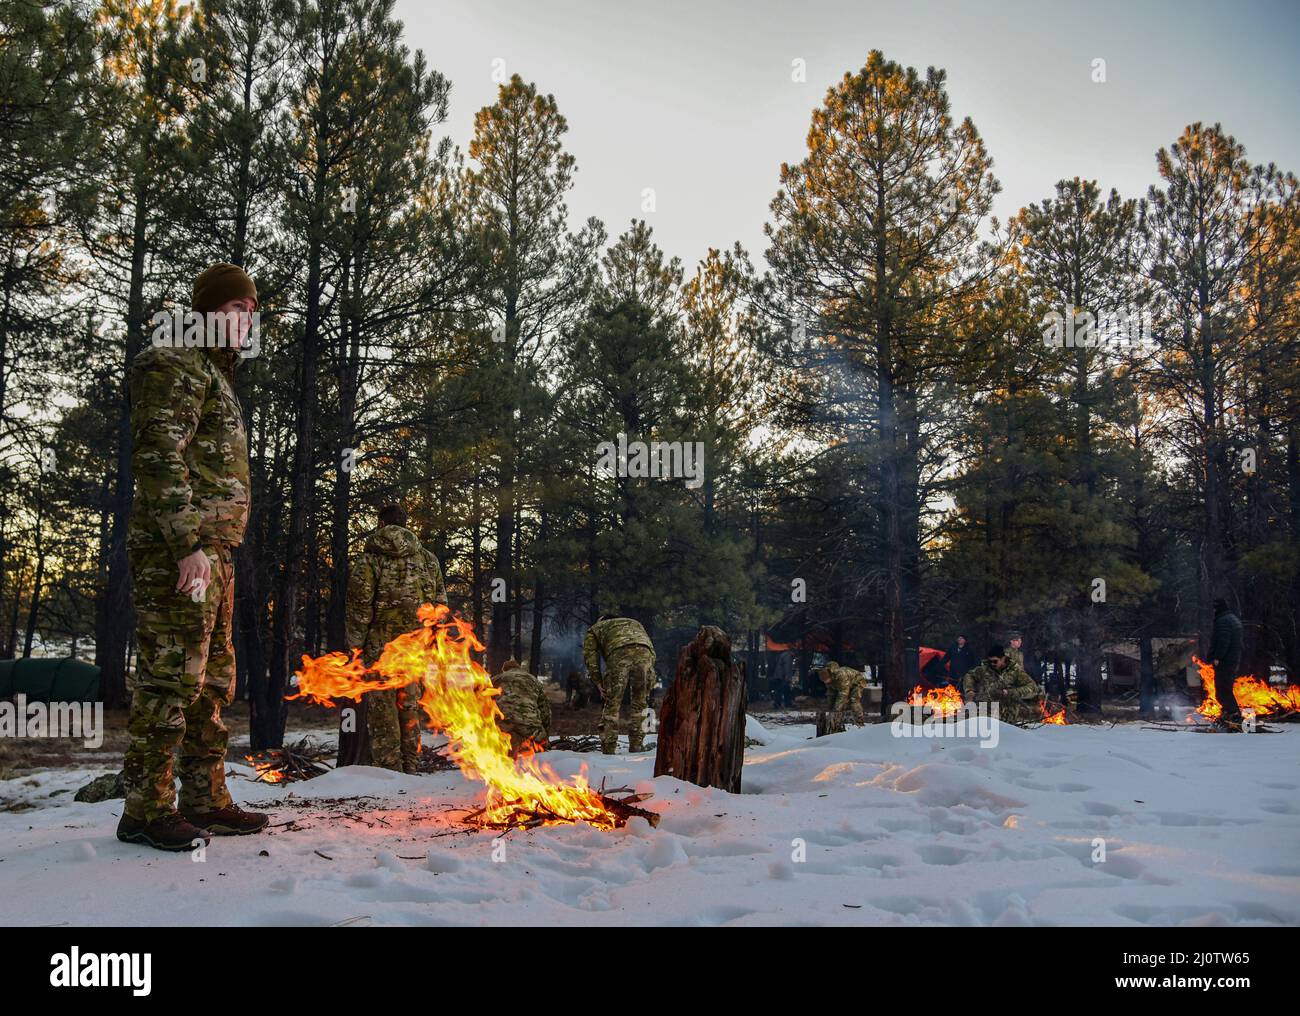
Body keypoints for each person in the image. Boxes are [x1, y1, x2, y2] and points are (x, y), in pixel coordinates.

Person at [119, 263, 268, 850]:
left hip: (214, 556)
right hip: (180, 555)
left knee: (212, 685)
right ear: (206, 311)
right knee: (170, 682)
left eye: (251, 313)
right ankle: (145, 811)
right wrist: (185, 545)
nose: (245, 322)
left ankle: (205, 799)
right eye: (235, 310)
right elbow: (158, 453)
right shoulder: (176, 361)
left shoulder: (212, 372)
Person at [344, 503, 448, 773]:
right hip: (415, 645)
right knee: (409, 705)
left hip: (380, 647)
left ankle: (390, 770)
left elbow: (360, 605)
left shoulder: (370, 559)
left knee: (383, 710)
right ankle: (410, 767)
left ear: (381, 524)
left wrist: (355, 647)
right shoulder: (428, 559)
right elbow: (440, 606)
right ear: (405, 524)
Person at [583, 613, 656, 754]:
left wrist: (598, 681)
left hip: (619, 654)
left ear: (602, 621)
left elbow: (590, 656)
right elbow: (650, 648)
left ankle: (609, 748)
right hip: (645, 654)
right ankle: (637, 745)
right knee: (640, 703)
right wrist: (650, 674)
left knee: (612, 704)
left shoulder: (597, 627)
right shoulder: (634, 622)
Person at [962, 645, 1043, 725]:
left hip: (1007, 714)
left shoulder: (1015, 671)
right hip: (986, 711)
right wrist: (969, 690)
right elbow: (969, 675)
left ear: (1003, 659)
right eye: (990, 661)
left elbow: (1032, 688)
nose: (992, 664)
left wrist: (1011, 692)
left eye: (995, 661)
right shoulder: (984, 669)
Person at [492, 658, 552, 756]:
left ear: (505, 670)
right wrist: (545, 735)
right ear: (518, 668)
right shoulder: (533, 680)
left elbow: (483, 705)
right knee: (541, 748)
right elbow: (545, 712)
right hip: (529, 726)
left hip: (501, 727)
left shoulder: (496, 679)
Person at [1207, 598, 1244, 725]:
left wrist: (1218, 657)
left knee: (1222, 690)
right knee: (1226, 689)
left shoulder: (1223, 621)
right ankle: (1229, 716)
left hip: (1225, 661)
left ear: (1218, 608)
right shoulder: (1232, 618)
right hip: (1232, 659)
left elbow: (1224, 641)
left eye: (1214, 608)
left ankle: (1234, 717)